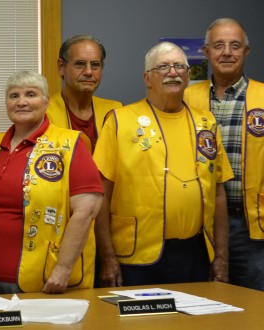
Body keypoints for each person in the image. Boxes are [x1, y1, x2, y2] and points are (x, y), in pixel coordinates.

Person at [94, 42, 232, 287]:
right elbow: (101, 194)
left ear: (189, 77)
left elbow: (218, 192)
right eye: (164, 67)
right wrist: (107, 258)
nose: (173, 72)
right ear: (147, 78)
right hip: (136, 254)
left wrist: (222, 256)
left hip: (195, 252)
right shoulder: (120, 121)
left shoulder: (206, 123)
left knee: (194, 324)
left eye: (180, 66)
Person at [0, 71, 102, 295]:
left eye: (30, 94)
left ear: (46, 102)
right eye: (14, 96)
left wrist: (63, 269)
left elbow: (86, 212)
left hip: (41, 279)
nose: (21, 101)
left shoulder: (69, 144)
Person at [184, 18, 264, 292]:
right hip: (199, 227)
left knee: (255, 305)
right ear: (206, 52)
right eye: (219, 45)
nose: (227, 52)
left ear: (246, 51)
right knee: (201, 302)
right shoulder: (185, 97)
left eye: (235, 45)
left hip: (252, 228)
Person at [48, 35, 122, 151]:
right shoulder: (44, 114)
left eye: (95, 65)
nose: (88, 72)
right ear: (61, 67)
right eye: (80, 64)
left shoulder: (116, 111)